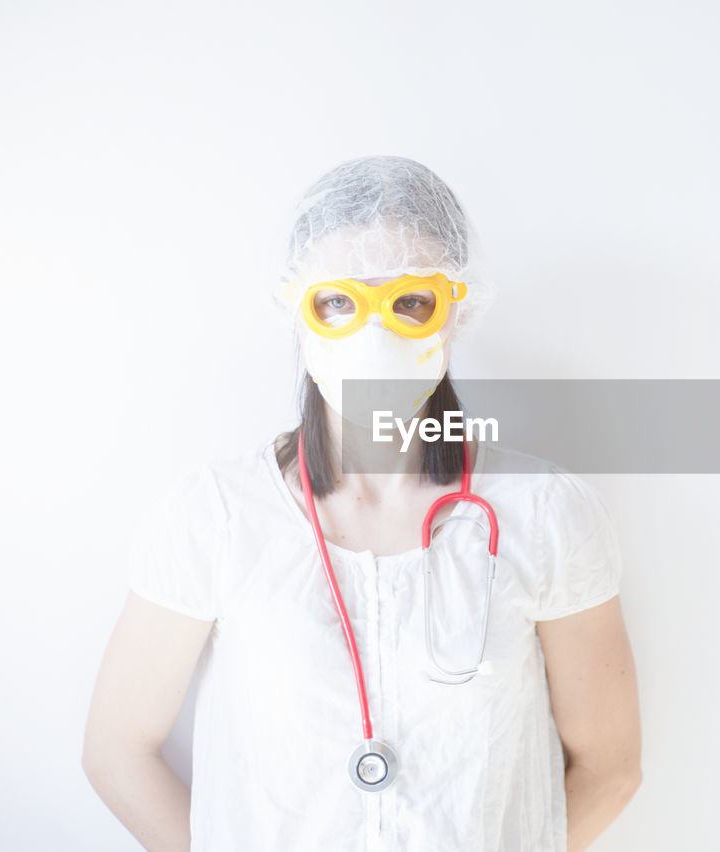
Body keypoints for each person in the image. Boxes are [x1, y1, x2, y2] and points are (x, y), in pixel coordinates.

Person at [82, 155, 642, 852]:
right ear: (297, 309)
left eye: (411, 301)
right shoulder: (218, 516)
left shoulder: (548, 515)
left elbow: (610, 767)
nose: (373, 332)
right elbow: (117, 750)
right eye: (338, 301)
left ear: (457, 308)